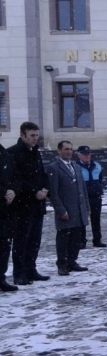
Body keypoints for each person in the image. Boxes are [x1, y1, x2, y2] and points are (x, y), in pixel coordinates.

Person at [7, 122, 50, 286]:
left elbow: (42, 174)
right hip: (22, 205)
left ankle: (31, 269)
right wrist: (34, 191)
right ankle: (19, 273)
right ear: (23, 135)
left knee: (35, 239)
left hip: (37, 205)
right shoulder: (13, 153)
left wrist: (46, 189)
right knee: (21, 240)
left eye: (37, 135)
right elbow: (17, 179)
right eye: (32, 135)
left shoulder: (36, 152)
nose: (35, 139)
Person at [46, 141, 90, 276]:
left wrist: (86, 207)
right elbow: (53, 192)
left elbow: (82, 188)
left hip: (78, 209)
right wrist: (61, 209)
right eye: (66, 149)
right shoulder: (54, 167)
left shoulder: (76, 166)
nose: (69, 152)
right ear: (59, 151)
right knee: (63, 238)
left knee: (76, 237)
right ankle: (62, 264)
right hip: (65, 209)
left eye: (71, 149)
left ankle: (72, 261)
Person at [76, 145, 107, 248]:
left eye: (88, 154)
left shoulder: (97, 165)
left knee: (96, 219)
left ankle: (97, 240)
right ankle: (81, 241)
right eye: (84, 154)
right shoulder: (75, 166)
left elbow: (100, 179)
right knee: (82, 219)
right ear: (79, 155)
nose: (87, 156)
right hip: (82, 197)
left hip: (95, 196)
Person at [1, 140, 17, 291]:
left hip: (5, 208)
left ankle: (1, 277)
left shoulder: (5, 153)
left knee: (4, 244)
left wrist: (12, 189)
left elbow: (12, 177)